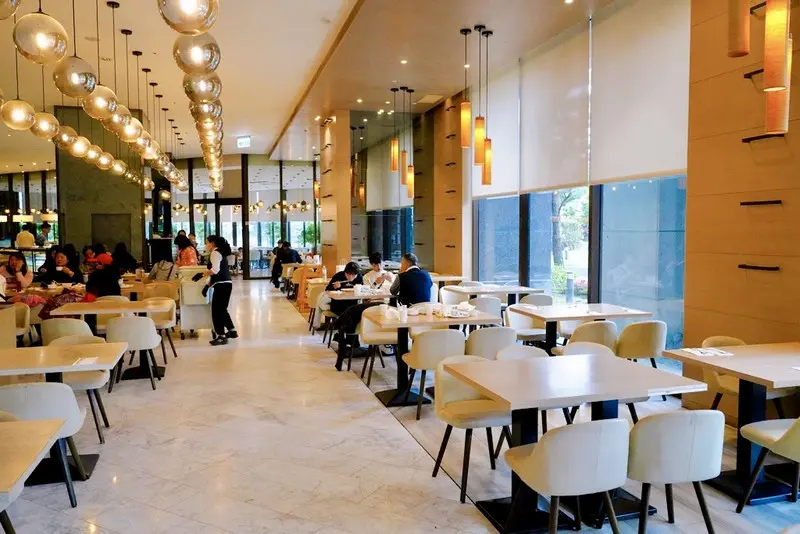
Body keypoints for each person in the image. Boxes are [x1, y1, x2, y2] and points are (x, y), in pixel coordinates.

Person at [203, 235, 237, 345]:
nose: (206, 245)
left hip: (221, 285)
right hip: (226, 284)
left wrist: (202, 274)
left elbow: (215, 270)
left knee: (216, 311)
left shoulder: (215, 253)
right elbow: (216, 273)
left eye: (207, 242)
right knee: (222, 309)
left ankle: (221, 336)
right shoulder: (220, 253)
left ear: (212, 243)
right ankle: (232, 330)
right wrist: (207, 285)